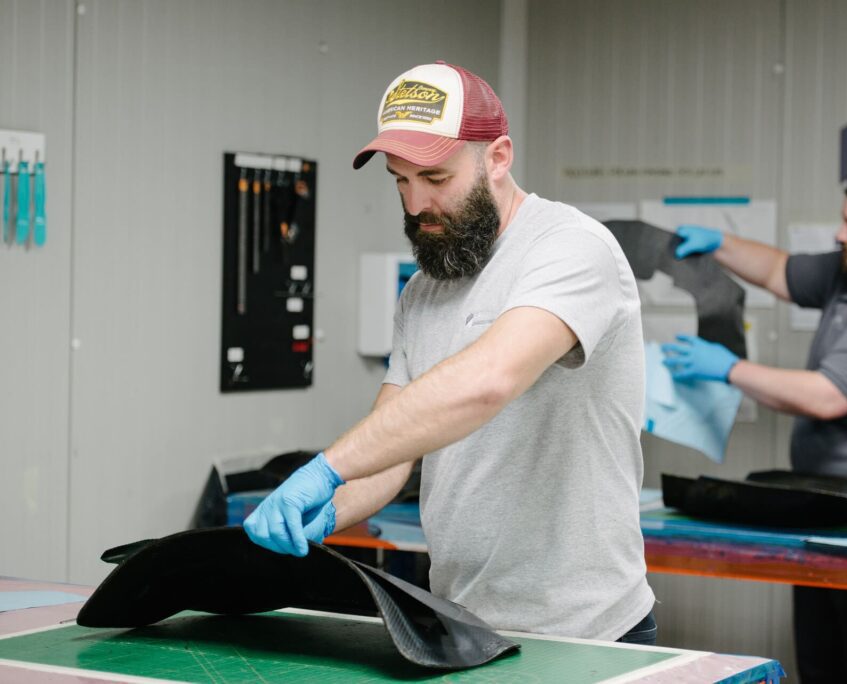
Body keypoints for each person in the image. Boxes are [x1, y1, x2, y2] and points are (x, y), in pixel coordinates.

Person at [243, 61, 656, 644]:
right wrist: (330, 509)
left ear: (498, 157)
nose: (416, 206)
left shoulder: (572, 249)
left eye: (436, 179)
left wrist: (327, 467)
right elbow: (393, 444)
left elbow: (489, 379)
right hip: (464, 626)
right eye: (400, 181)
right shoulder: (423, 290)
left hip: (587, 632)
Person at [664, 163, 847, 683]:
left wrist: (728, 368)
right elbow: (782, 271)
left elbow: (826, 397)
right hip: (835, 513)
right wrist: (718, 245)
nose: (838, 234)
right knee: (824, 666)